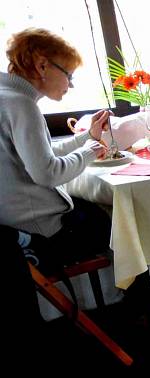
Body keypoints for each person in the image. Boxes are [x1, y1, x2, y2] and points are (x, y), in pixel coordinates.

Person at [0, 27, 111, 270]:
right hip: (40, 235)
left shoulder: (6, 97)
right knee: (118, 223)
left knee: (101, 211)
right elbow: (47, 173)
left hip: (11, 227)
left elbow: (41, 156)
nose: (70, 85)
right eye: (69, 75)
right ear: (42, 66)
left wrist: (86, 138)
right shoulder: (22, 105)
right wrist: (91, 150)